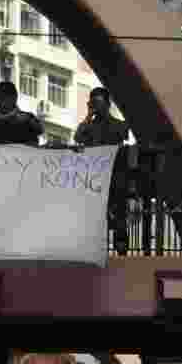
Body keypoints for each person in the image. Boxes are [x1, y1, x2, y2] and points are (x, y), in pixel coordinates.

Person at [74, 87, 130, 253]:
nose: (96, 106)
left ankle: (122, 252)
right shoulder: (88, 126)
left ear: (107, 104)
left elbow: (123, 135)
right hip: (94, 179)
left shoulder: (119, 125)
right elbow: (77, 137)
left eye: (98, 103)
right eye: (93, 103)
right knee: (95, 218)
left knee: (120, 216)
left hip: (115, 177)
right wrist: (88, 116)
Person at [0, 81, 44, 146]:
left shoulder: (28, 120)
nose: (0, 102)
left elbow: (37, 136)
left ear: (14, 98)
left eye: (2, 98)